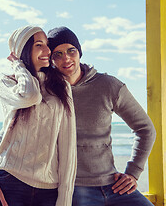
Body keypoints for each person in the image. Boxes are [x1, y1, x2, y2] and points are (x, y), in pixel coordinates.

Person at [46, 26, 156, 206]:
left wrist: (133, 172)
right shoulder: (47, 92)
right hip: (74, 189)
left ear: (79, 52)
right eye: (57, 54)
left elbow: (146, 129)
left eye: (71, 51)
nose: (66, 58)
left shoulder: (109, 86)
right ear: (51, 60)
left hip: (114, 185)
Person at [0, 25, 77, 206]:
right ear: (23, 50)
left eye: (47, 45)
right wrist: (19, 65)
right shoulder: (7, 83)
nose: (47, 51)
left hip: (49, 188)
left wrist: (65, 199)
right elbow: (30, 96)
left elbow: (67, 145)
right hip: (11, 182)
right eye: (39, 45)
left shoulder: (61, 87)